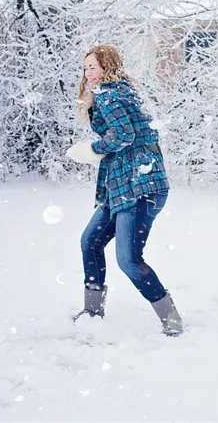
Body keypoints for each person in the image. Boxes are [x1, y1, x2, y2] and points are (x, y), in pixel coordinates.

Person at [66, 45, 183, 336]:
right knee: (90, 241)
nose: (87, 73)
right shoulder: (123, 90)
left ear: (107, 66)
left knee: (128, 259)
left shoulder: (109, 92)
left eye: (92, 67)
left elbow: (124, 135)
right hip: (126, 185)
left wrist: (91, 149)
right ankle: (92, 312)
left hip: (139, 186)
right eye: (85, 68)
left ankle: (171, 318)